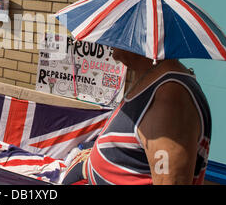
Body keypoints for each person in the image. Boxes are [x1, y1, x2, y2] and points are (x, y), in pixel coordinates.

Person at [62, 47, 211, 185]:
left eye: (119, 28)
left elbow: (171, 180)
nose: (110, 39)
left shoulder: (169, 97)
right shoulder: (150, 77)